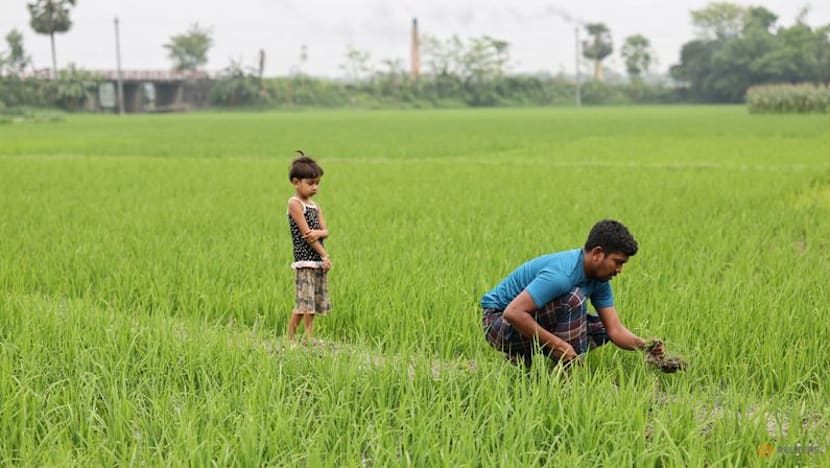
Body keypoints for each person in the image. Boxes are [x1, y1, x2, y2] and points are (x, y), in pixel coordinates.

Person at [481, 219, 664, 367]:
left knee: (601, 328)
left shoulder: (599, 280)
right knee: (573, 300)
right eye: (617, 262)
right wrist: (559, 345)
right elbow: (512, 313)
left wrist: (645, 345)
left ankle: (536, 360)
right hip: (497, 324)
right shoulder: (562, 274)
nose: (619, 270)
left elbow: (615, 329)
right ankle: (568, 374)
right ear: (597, 253)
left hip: (524, 321)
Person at [286, 151, 332, 344]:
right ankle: (289, 338)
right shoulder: (294, 203)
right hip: (305, 260)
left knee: (312, 303)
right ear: (296, 182)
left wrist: (319, 235)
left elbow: (324, 231)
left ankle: (309, 337)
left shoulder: (315, 206)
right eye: (311, 183)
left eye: (317, 183)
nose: (315, 187)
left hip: (317, 260)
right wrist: (325, 255)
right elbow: (307, 236)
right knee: (302, 303)